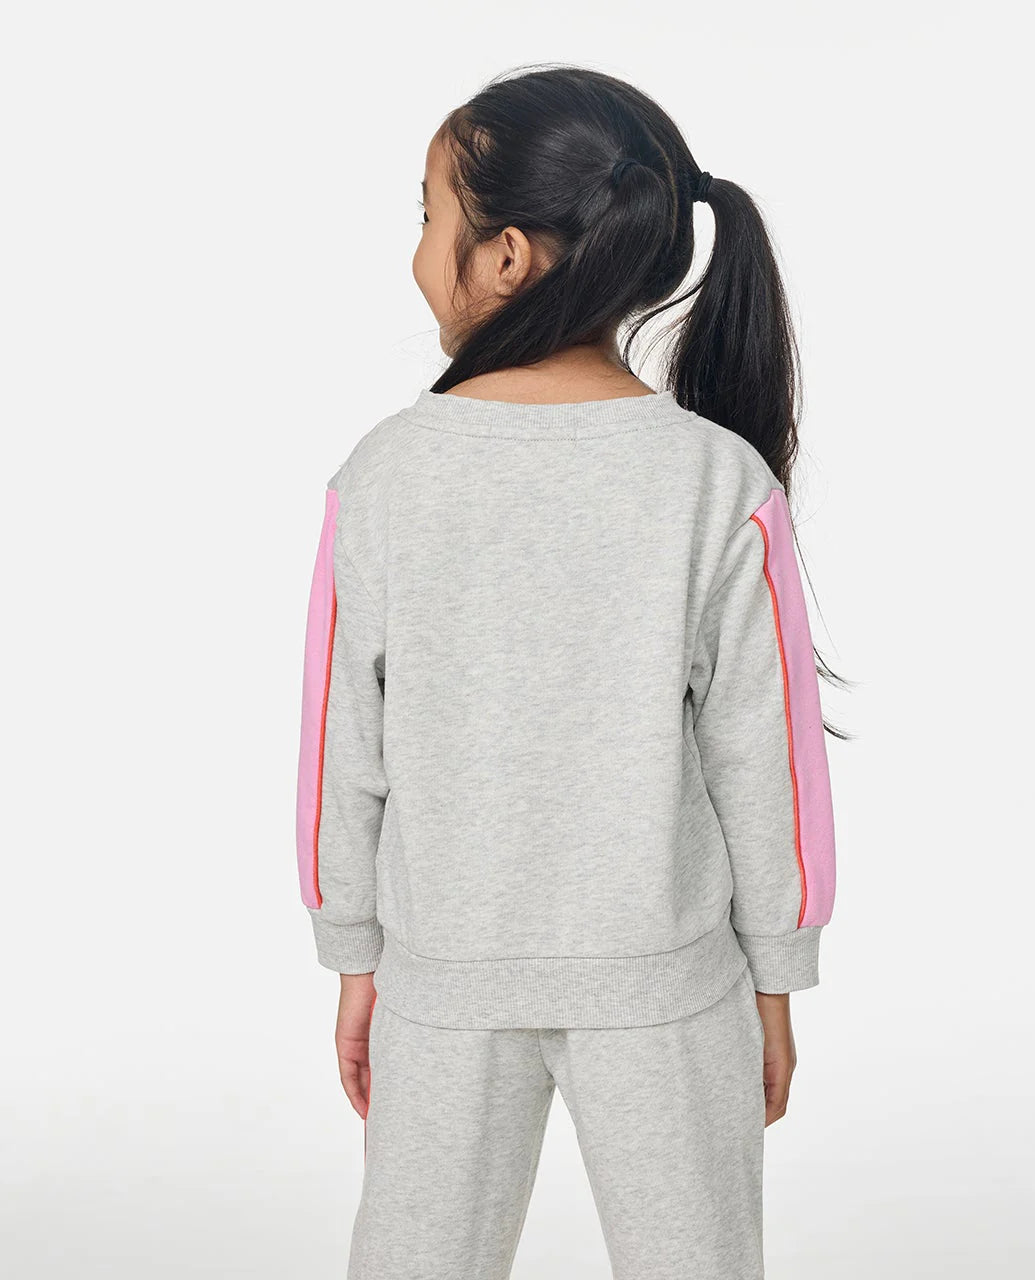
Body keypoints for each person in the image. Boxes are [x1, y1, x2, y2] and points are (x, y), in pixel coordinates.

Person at [294, 63, 839, 1280]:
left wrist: (354, 952)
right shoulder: (719, 481)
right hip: (670, 984)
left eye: (428, 213)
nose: (419, 250)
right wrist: (776, 976)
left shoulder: (381, 476)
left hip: (442, 976)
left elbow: (340, 747)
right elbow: (768, 761)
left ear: (504, 257)